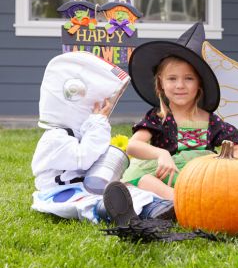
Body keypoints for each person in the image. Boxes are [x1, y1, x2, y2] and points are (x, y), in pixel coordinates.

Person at [32, 51, 173, 224]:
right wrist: (98, 123)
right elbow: (83, 158)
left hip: (87, 187)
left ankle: (157, 208)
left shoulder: (79, 133)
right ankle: (110, 211)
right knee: (90, 203)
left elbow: (97, 160)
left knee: (128, 192)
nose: (101, 113)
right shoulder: (54, 138)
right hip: (62, 192)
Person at [122, 22, 238, 200]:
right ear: (161, 84)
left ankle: (176, 202)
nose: (180, 85)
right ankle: (176, 201)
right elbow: (133, 146)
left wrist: (223, 164)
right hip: (166, 177)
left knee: (215, 188)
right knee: (146, 181)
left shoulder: (211, 122)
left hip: (199, 179)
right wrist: (161, 154)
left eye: (189, 78)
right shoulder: (159, 117)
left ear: (199, 84)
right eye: (172, 79)